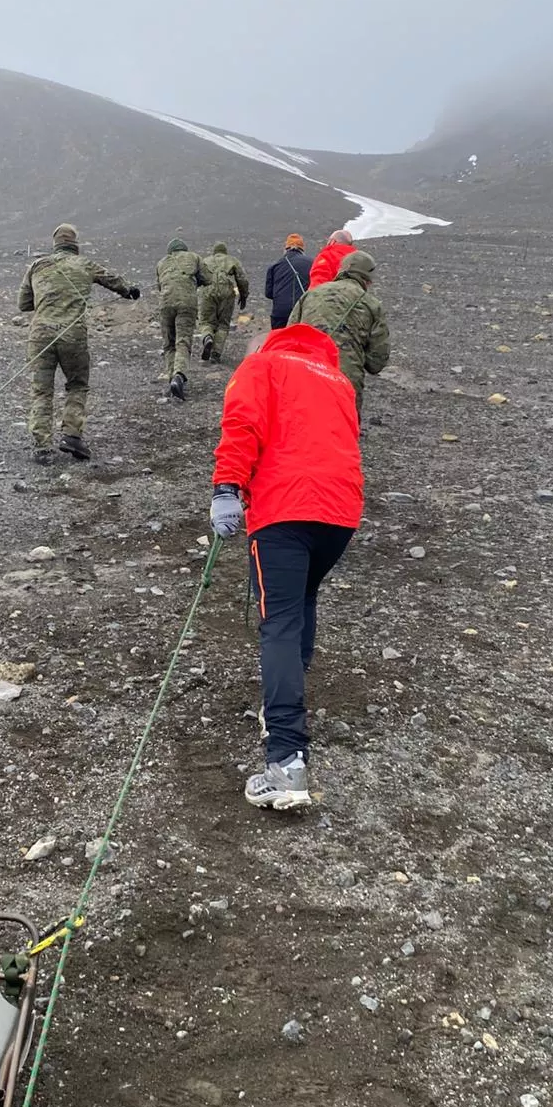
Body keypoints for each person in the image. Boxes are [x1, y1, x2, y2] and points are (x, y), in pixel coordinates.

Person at [209, 323, 363, 810]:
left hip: (283, 510)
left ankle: (286, 759)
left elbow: (242, 425)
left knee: (278, 621)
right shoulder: (337, 380)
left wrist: (226, 489)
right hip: (339, 513)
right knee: (301, 604)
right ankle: (283, 711)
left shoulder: (262, 366)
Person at [18, 222, 139, 464]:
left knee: (42, 390)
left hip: (41, 335)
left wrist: (47, 300)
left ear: (55, 244)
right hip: (73, 335)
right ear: (75, 245)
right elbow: (113, 281)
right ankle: (71, 435)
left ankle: (42, 445)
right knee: (77, 384)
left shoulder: (37, 266)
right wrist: (130, 292)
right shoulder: (85, 265)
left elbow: (24, 304)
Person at [288, 250, 390, 405]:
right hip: (344, 381)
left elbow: (288, 336)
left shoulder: (311, 294)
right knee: (342, 427)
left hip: (305, 372)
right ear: (368, 279)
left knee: (301, 425)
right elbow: (377, 362)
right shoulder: (371, 305)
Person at [156, 237, 213, 400]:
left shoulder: (161, 263)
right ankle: (178, 376)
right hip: (187, 304)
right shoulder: (194, 257)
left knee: (169, 344)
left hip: (165, 304)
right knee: (183, 341)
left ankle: (170, 377)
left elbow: (160, 285)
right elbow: (208, 278)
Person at [198, 242, 250, 363]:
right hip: (226, 292)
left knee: (206, 321)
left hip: (208, 291)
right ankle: (216, 353)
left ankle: (207, 337)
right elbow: (242, 279)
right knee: (223, 323)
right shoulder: (232, 260)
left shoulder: (205, 261)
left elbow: (198, 277)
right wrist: (243, 296)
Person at [264, 234, 312, 329]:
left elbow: (268, 294)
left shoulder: (275, 265)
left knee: (280, 341)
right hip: (303, 312)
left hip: (280, 314)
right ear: (302, 249)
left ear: (286, 248)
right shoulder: (312, 263)